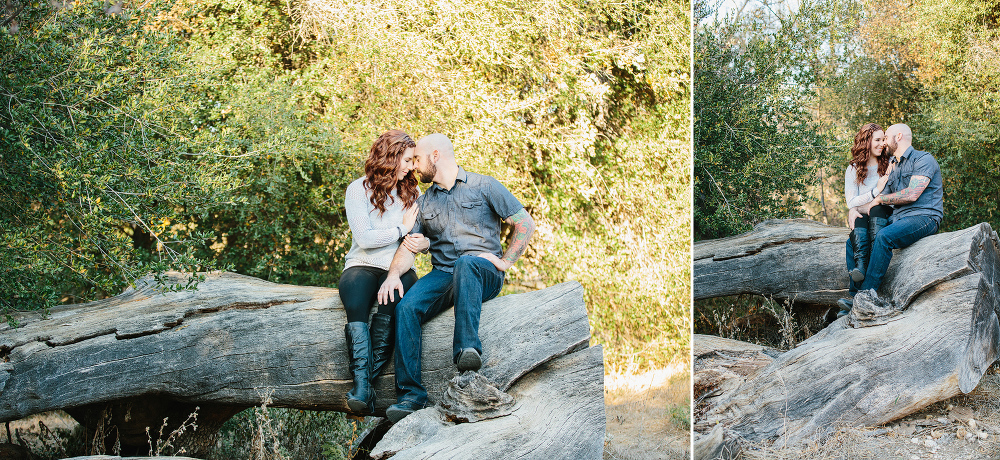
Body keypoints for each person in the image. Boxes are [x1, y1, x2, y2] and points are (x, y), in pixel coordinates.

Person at [375, 133, 536, 423]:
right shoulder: (424, 203)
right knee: (406, 308)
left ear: (435, 156)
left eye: (419, 160)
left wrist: (504, 261)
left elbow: (524, 223)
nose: (414, 167)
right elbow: (410, 244)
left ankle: (467, 350)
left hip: (481, 272)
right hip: (444, 275)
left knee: (466, 264)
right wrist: (393, 276)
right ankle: (411, 396)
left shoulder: (484, 185)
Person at [339, 129, 423, 414]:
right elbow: (364, 239)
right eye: (408, 160)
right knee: (355, 300)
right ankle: (362, 386)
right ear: (393, 156)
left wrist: (415, 244)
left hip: (398, 268)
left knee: (392, 305)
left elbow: (415, 241)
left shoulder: (412, 193)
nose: (412, 166)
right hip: (361, 264)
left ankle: (365, 386)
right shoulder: (358, 189)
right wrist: (401, 228)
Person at [837, 123, 944, 313]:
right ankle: (854, 297)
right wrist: (854, 209)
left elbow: (911, 194)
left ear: (899, 137)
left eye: (886, 137)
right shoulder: (893, 165)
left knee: (883, 237)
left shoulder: (923, 159)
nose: (884, 142)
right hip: (899, 218)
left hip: (924, 217)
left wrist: (880, 199)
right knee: (852, 242)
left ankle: (865, 295)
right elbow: (875, 202)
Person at [839, 123, 894, 316]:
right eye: (877, 140)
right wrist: (875, 191)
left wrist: (862, 205)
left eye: (883, 140)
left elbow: (891, 198)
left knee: (874, 212)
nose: (882, 144)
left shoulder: (889, 164)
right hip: (865, 218)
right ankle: (860, 274)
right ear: (867, 142)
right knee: (856, 231)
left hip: (884, 214)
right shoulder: (854, 168)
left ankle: (856, 296)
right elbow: (851, 202)